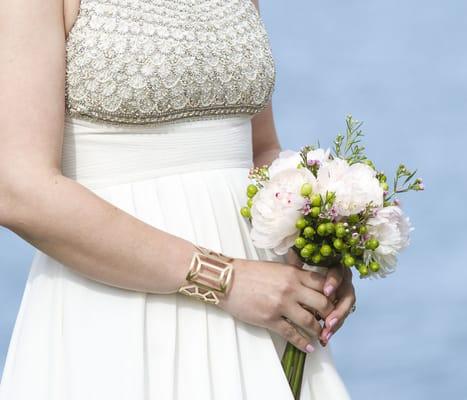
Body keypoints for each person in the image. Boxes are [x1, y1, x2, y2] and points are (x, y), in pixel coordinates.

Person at [0, 0, 354, 398]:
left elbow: (260, 150)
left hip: (265, 309)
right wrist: (226, 279)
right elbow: (19, 190)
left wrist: (314, 239)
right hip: (122, 310)